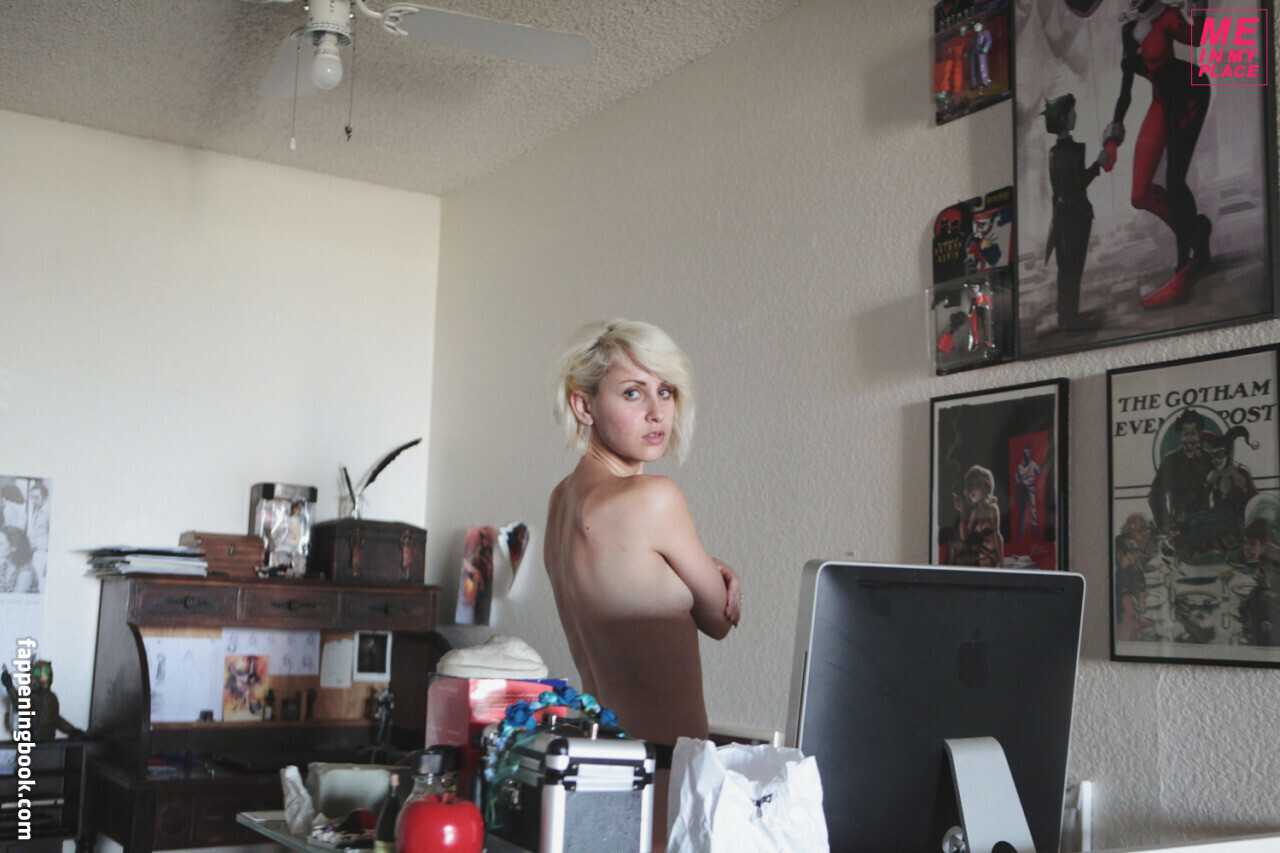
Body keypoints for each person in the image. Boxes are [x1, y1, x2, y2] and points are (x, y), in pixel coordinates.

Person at [544, 319, 741, 849]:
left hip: (599, 769)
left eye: (666, 391)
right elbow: (720, 617)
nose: (657, 412)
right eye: (632, 393)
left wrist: (693, 568)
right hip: (661, 777)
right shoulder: (655, 498)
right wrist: (711, 574)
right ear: (584, 406)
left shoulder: (561, 502)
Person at [1101, 0, 1211, 308]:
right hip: (1161, 101)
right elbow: (1125, 89)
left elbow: (1197, 39)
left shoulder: (1167, 16)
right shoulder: (1129, 28)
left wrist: (1200, 8)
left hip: (1189, 93)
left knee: (1174, 182)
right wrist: (1113, 138)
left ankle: (1183, 271)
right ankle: (1196, 234)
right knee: (1139, 194)